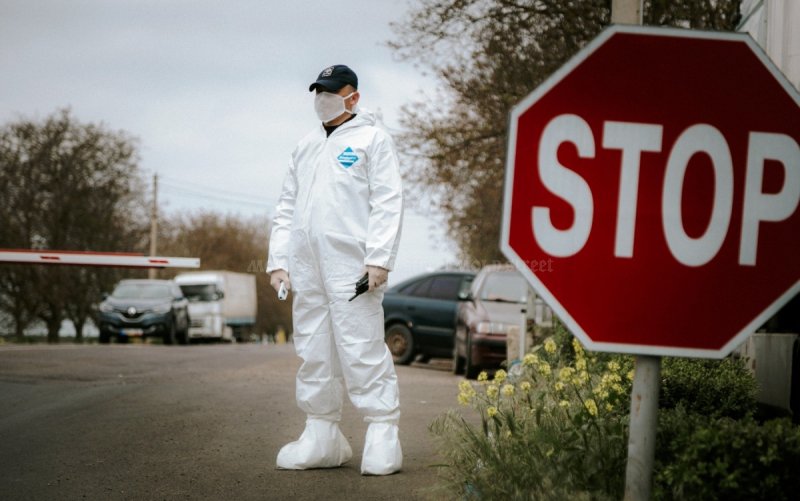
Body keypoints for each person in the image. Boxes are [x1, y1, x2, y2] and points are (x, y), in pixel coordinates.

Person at [266, 64, 404, 475]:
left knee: (360, 347)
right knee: (313, 349)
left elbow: (388, 200)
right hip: (307, 268)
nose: (322, 100)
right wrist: (278, 261)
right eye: (318, 92)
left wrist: (379, 258)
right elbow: (286, 207)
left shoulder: (372, 140)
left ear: (353, 96)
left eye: (330, 92)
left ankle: (382, 432)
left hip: (352, 268)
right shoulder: (305, 145)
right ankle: (321, 432)